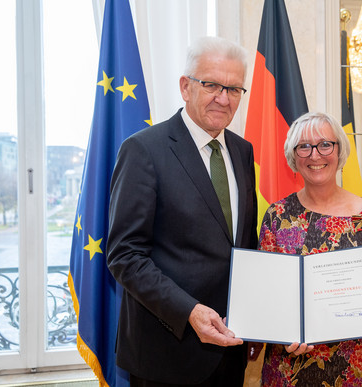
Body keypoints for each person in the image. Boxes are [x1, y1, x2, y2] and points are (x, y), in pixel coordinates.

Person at [107, 36, 258, 386]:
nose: (223, 98)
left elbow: (242, 245)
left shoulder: (243, 152)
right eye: (212, 85)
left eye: (234, 89)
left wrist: (257, 318)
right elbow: (125, 255)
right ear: (185, 87)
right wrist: (188, 312)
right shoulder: (143, 150)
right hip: (165, 354)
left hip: (231, 348)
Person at [256, 112, 362, 386]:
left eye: (325, 144)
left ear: (339, 150)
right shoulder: (277, 216)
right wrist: (281, 333)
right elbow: (265, 291)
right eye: (304, 146)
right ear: (293, 156)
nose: (315, 155)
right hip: (291, 364)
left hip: (356, 364)